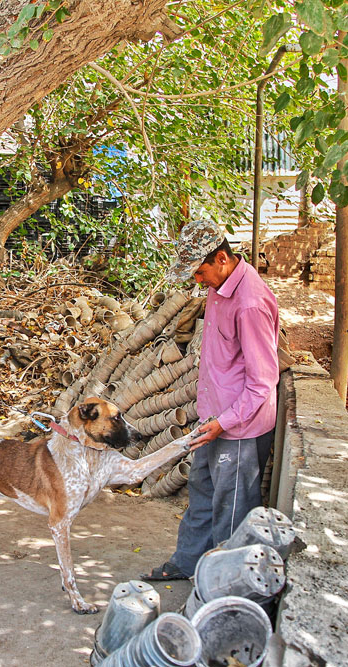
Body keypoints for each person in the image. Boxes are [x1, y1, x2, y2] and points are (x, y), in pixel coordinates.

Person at [143, 220, 280, 581]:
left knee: (231, 511)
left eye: (200, 272)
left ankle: (222, 584)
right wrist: (211, 418)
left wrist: (225, 421)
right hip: (215, 419)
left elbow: (263, 379)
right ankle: (188, 563)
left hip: (240, 428)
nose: (198, 281)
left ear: (222, 258)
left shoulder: (249, 302)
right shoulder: (220, 288)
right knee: (202, 490)